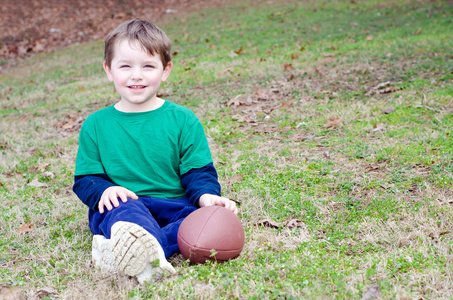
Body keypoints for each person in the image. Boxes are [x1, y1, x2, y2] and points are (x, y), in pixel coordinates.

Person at [72, 18, 238, 284]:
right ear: (108, 70)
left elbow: (198, 171)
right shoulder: (95, 125)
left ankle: (130, 252)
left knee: (201, 222)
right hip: (125, 205)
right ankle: (141, 248)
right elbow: (85, 179)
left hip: (173, 205)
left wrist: (207, 197)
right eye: (125, 66)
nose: (136, 75)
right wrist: (104, 190)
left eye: (148, 66)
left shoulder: (183, 120)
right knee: (124, 214)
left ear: (165, 70)